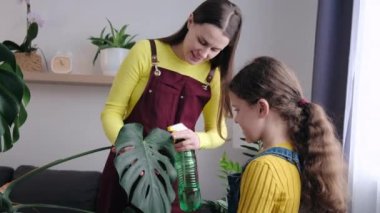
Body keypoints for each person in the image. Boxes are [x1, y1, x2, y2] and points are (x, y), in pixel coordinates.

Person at [96, 0, 242, 212]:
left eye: (214, 49)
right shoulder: (146, 52)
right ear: (191, 20)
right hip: (129, 166)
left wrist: (198, 139)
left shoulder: (214, 75)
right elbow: (112, 111)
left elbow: (218, 133)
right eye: (202, 41)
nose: (204, 53)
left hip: (177, 178)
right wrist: (129, 150)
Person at [227, 56, 347, 213]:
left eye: (237, 109)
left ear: (262, 108)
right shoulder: (294, 156)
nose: (236, 119)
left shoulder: (265, 167)